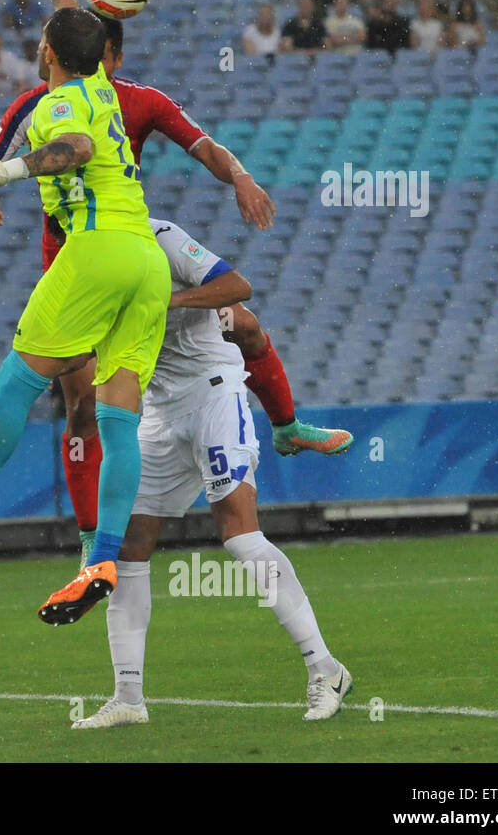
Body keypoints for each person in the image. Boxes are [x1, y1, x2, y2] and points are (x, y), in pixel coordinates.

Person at [0, 0, 348, 566]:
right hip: (71, 262)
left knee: (246, 325)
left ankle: (284, 427)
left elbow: (204, 147)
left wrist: (243, 178)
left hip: (136, 248)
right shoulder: (43, 102)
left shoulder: (142, 100)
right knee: (82, 402)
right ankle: (94, 538)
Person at [0, 7, 176, 625]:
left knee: (14, 384)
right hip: (145, 258)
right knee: (117, 416)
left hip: (92, 254)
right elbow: (78, 35)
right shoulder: (104, 87)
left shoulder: (52, 104)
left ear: (49, 51)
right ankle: (103, 556)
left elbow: (73, 147)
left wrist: (14, 170)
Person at [70, 218, 352, 728]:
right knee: (130, 549)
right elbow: (83, 396)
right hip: (155, 413)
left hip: (214, 394)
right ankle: (128, 697)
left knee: (240, 536)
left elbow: (238, 289)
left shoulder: (158, 237)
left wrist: (168, 302)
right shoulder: (83, 267)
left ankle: (326, 668)